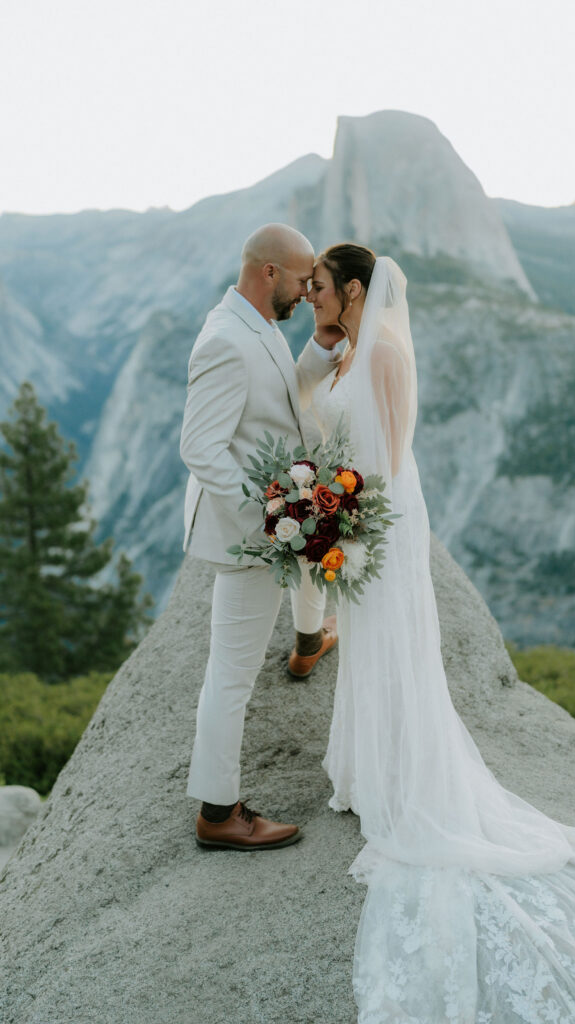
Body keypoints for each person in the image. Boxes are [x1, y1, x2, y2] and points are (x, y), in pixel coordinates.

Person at [306, 243, 575, 1022]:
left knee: (393, 651)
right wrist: (321, 511)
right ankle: (369, 766)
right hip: (352, 519)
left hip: (377, 522)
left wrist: (339, 523)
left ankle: (408, 780)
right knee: (369, 651)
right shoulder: (345, 352)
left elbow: (387, 455)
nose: (309, 297)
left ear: (352, 290)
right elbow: (322, 409)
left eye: (318, 288)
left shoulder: (381, 352)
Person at [179, 223, 341, 851]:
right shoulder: (225, 337)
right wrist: (268, 514)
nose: (309, 292)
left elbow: (277, 397)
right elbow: (199, 446)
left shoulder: (255, 321)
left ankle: (309, 638)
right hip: (249, 537)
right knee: (231, 676)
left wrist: (322, 351)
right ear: (270, 272)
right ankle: (219, 814)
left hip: (272, 516)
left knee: (313, 562)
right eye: (304, 280)